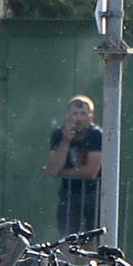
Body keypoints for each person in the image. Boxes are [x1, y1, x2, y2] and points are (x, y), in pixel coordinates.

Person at [43, 94, 105, 237]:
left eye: (83, 114)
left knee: (94, 239)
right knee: (67, 238)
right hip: (69, 193)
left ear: (90, 117)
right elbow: (53, 168)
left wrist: (61, 172)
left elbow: (91, 172)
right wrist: (65, 141)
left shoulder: (96, 135)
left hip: (95, 193)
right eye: (75, 114)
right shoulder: (59, 134)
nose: (78, 118)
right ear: (67, 116)